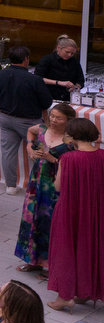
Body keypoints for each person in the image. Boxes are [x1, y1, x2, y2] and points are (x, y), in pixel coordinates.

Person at [47, 115, 103, 310]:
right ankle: (88, 291)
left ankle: (64, 297)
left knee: (65, 250)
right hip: (96, 210)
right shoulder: (102, 155)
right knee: (93, 248)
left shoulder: (68, 158)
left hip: (70, 209)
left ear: (72, 136)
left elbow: (59, 186)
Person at [15, 102, 76, 273]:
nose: (54, 120)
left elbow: (73, 166)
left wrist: (52, 159)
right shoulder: (42, 129)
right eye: (52, 116)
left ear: (68, 120)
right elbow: (30, 131)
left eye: (59, 118)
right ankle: (32, 260)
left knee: (50, 224)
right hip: (36, 183)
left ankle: (51, 265)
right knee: (31, 219)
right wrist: (29, 146)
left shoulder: (71, 139)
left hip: (54, 188)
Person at [0, 46, 53, 195]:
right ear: (26, 59)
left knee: (8, 152)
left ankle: (11, 186)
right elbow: (46, 103)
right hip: (29, 121)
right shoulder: (34, 79)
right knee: (40, 152)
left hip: (5, 117)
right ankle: (41, 185)